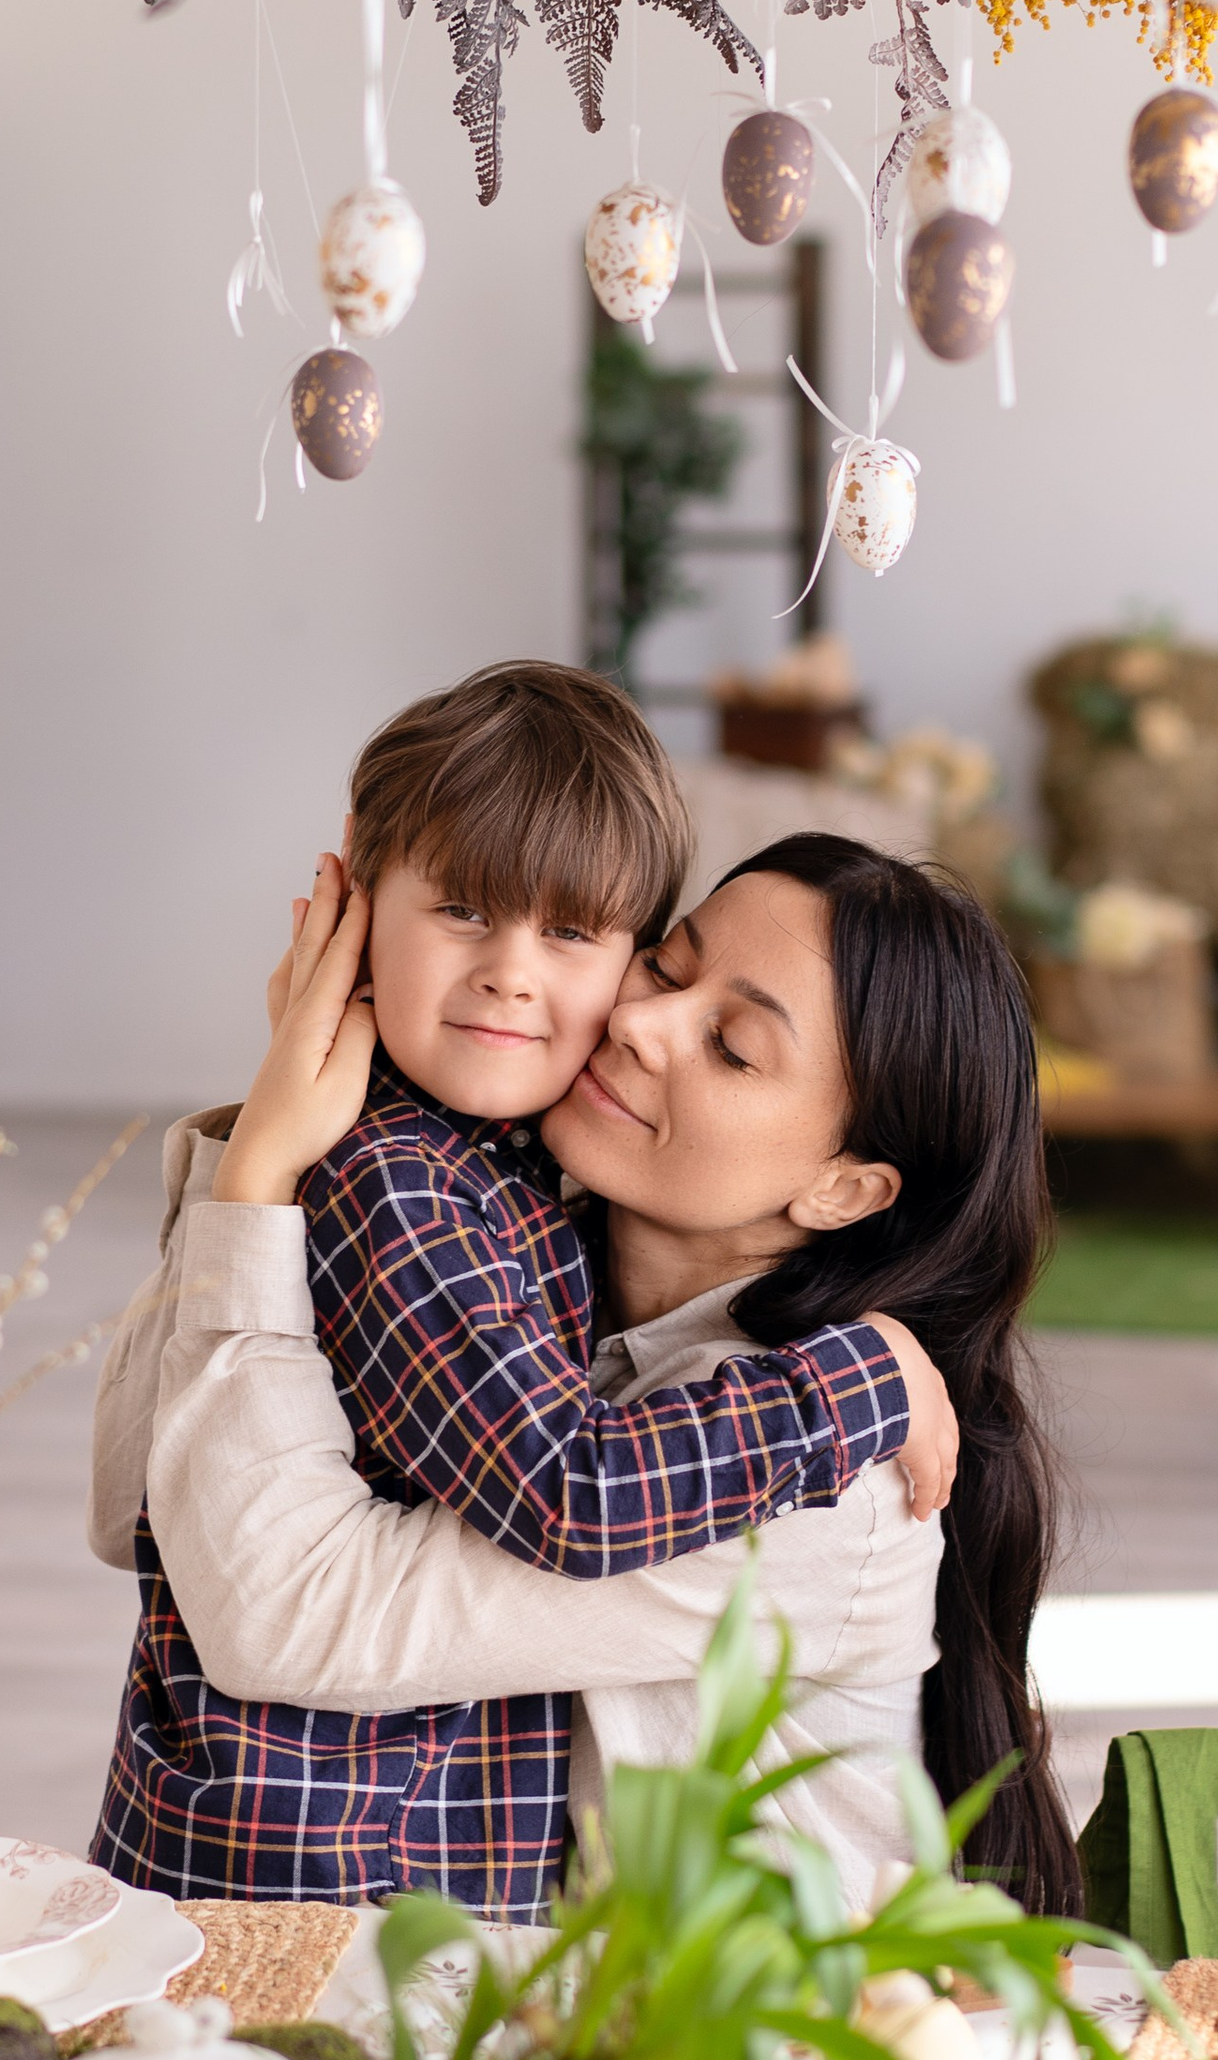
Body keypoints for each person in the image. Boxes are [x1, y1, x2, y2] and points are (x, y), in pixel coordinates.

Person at [90, 662, 958, 1916]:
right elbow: (135, 1504)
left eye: (731, 1043)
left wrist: (263, 1167)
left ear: (842, 1186)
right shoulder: (408, 1178)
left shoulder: (824, 1487)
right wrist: (259, 1162)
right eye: (669, 972)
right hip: (318, 1895)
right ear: (350, 905)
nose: (518, 977)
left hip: (751, 2028)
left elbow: (275, 1574)